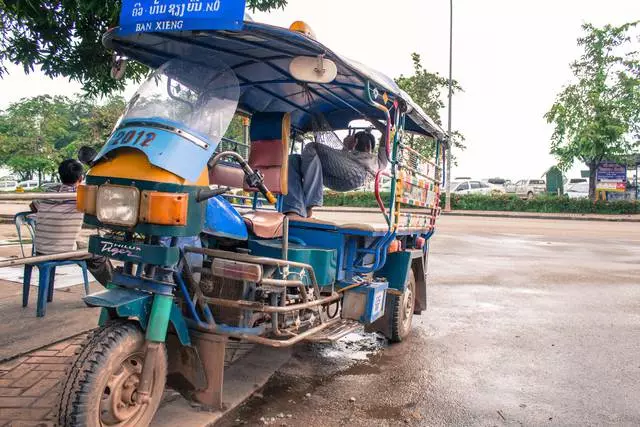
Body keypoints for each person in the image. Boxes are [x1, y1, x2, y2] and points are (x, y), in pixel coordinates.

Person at [30, 159, 113, 286]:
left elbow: (33, 206)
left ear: (60, 176)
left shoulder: (48, 193)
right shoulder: (82, 197)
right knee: (99, 254)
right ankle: (114, 290)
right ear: (81, 177)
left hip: (40, 250)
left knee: (83, 245)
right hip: (63, 252)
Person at [283, 130, 388, 218]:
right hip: (336, 176)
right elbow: (335, 162)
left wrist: (370, 118)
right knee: (292, 160)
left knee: (312, 146)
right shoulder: (350, 153)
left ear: (369, 146)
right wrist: (347, 148)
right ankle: (294, 210)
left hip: (358, 174)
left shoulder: (378, 161)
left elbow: (385, 130)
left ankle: (309, 207)